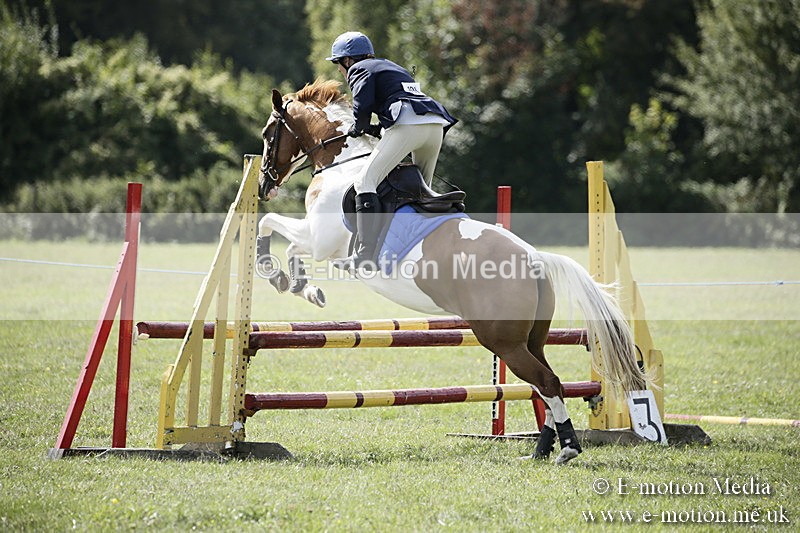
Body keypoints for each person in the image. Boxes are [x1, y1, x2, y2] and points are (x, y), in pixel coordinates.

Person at [327, 31, 457, 270]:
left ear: (347, 60)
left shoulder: (359, 68)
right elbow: (398, 102)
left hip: (408, 124)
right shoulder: (391, 66)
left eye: (339, 65)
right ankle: (424, 248)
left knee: (364, 182)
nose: (340, 71)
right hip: (434, 125)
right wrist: (377, 129)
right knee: (421, 191)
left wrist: (359, 127)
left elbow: (362, 105)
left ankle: (364, 255)